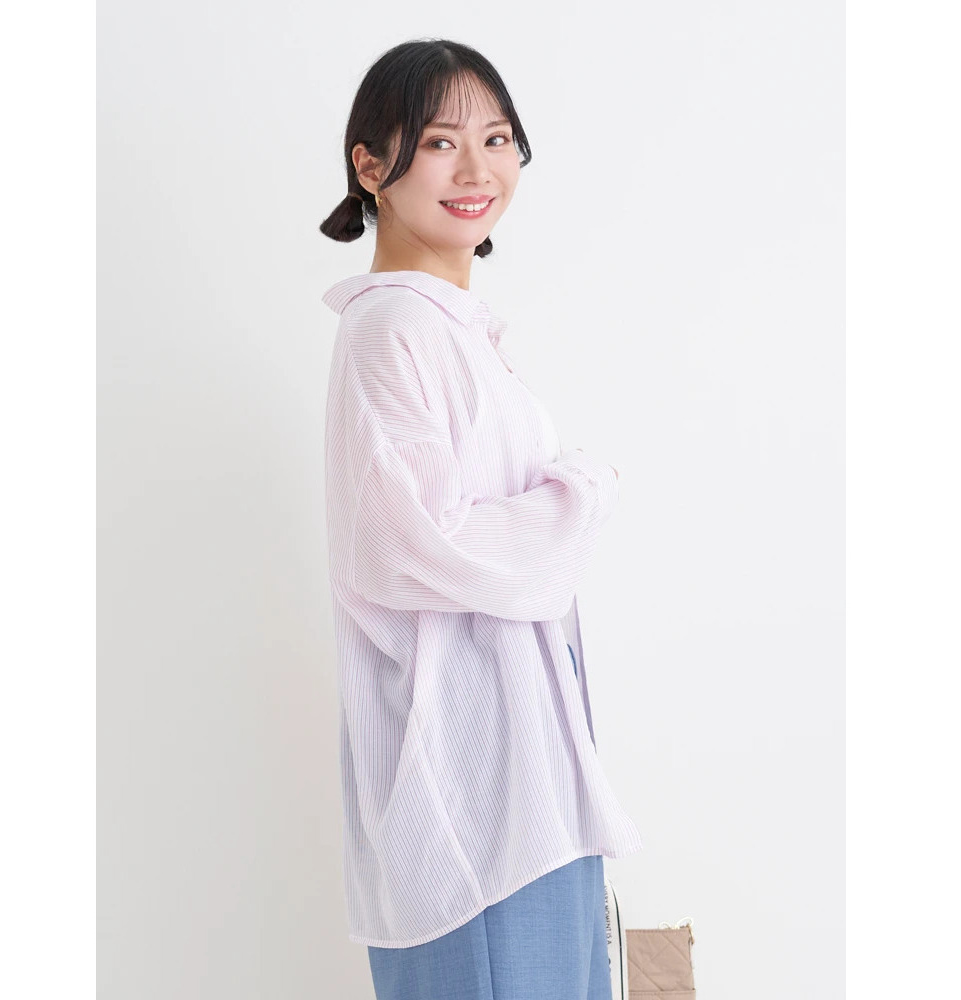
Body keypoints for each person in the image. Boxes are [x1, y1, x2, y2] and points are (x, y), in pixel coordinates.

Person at [318, 38, 641, 1000]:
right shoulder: (392, 330)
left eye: (497, 140)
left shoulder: (454, 332)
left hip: (531, 786)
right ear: (369, 164)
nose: (477, 170)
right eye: (440, 142)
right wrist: (581, 495)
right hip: (472, 802)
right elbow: (419, 545)